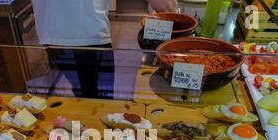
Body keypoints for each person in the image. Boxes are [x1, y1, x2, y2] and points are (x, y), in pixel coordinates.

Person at [31, 0, 179, 99]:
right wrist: (176, 18)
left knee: (76, 97)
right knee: (99, 101)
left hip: (50, 32)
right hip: (89, 35)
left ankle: (79, 137)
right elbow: (165, 5)